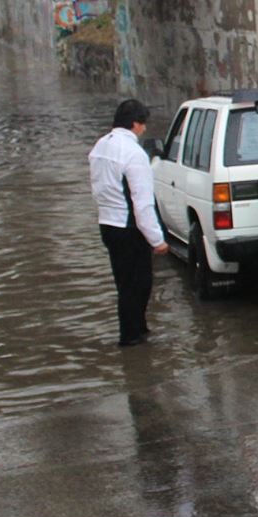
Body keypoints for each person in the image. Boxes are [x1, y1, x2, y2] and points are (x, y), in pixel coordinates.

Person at [89, 98, 167, 347]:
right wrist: (157, 239)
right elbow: (142, 203)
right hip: (129, 228)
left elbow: (99, 188)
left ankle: (138, 330)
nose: (144, 129)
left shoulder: (100, 146)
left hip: (108, 224)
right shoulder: (134, 154)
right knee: (138, 285)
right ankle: (132, 337)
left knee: (125, 283)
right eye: (143, 124)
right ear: (135, 124)